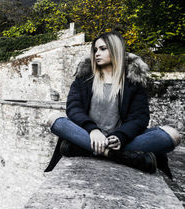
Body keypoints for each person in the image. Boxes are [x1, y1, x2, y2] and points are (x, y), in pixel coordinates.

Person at [45, 31, 181, 178]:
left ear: (115, 50)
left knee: (172, 135)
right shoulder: (84, 78)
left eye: (103, 49)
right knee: (55, 120)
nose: (97, 53)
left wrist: (120, 136)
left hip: (120, 140)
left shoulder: (132, 81)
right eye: (95, 50)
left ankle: (86, 149)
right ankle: (119, 155)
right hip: (88, 134)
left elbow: (139, 117)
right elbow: (74, 108)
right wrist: (93, 130)